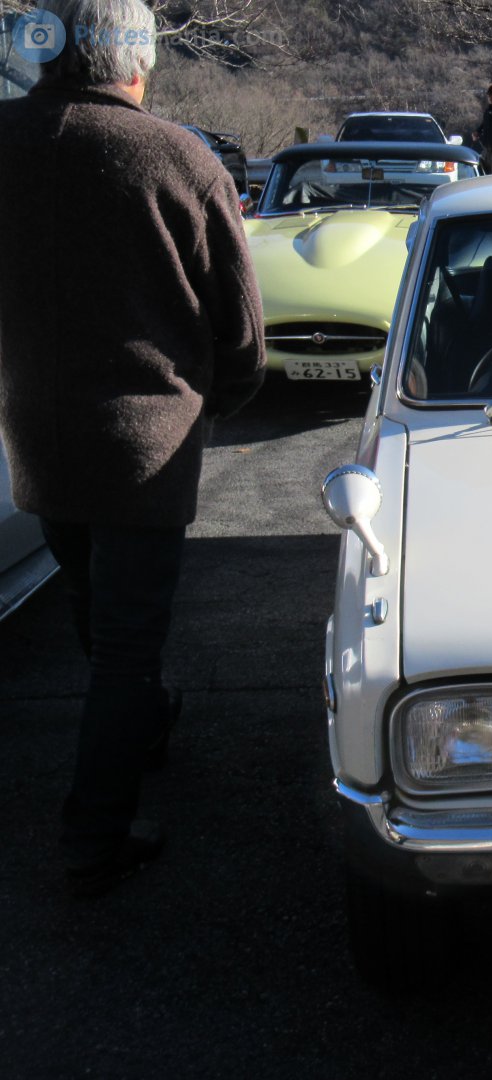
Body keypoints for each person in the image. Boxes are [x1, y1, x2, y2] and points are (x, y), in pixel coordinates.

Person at [0, 0, 266, 896]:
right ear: (137, 63)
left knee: (89, 601)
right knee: (126, 642)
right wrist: (219, 400)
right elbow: (240, 326)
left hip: (37, 426)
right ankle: (92, 833)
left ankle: (143, 725)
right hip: (148, 438)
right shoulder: (177, 156)